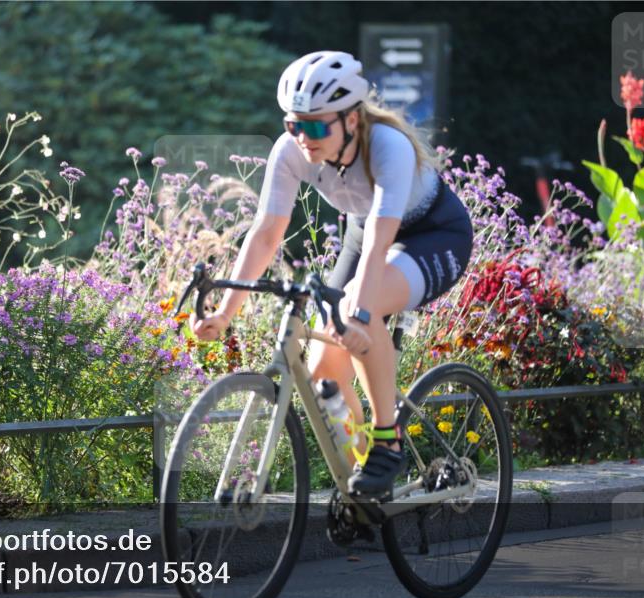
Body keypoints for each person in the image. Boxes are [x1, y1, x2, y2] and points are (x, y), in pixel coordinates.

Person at [191, 51, 474, 500]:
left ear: (352, 120)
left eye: (317, 125)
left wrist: (361, 312)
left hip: (431, 234)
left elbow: (382, 242)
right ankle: (368, 490)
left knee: (361, 311)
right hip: (365, 232)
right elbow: (266, 235)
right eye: (294, 125)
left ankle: (388, 441)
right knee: (325, 368)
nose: (304, 137)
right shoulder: (292, 150)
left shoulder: (387, 145)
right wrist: (225, 313)